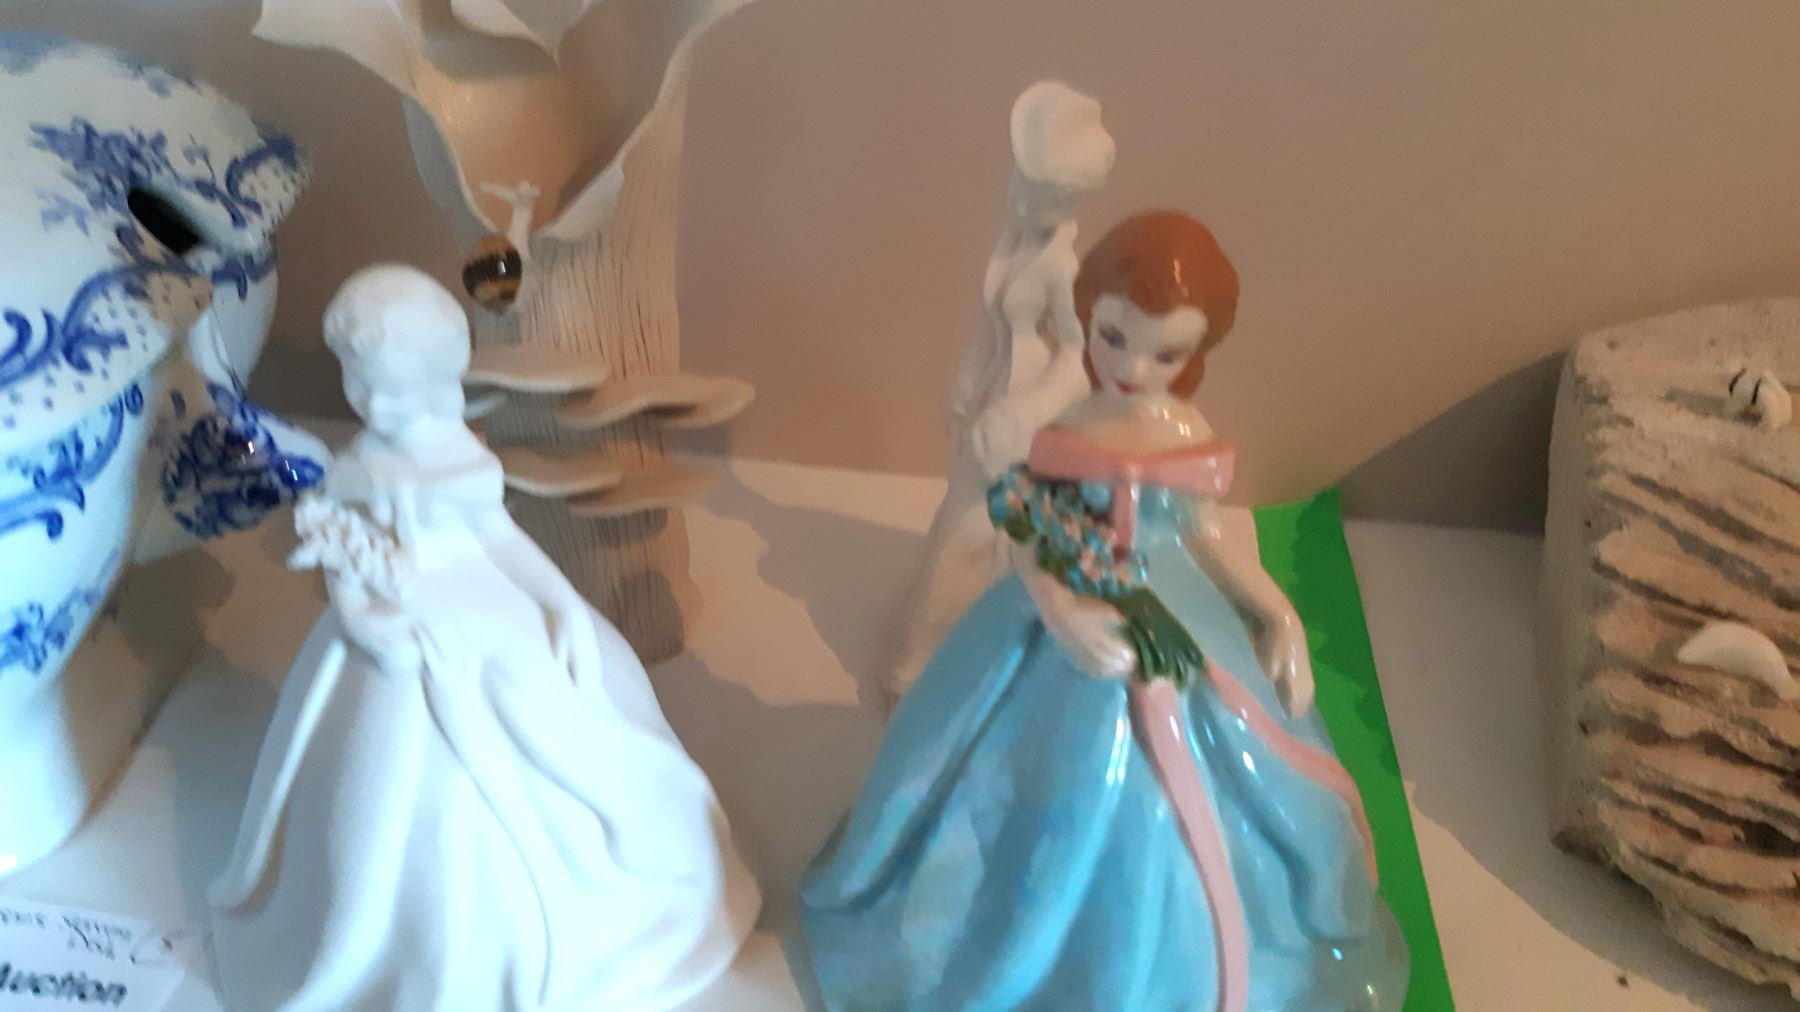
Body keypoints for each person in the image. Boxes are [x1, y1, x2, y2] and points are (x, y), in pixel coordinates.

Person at [803, 214, 1407, 1011]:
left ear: (1198, 355)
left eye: (1166, 354)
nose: (1130, 367)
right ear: (1087, 320)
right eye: (1113, 337)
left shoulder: (1184, 430)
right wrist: (1061, 612)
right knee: (1013, 761)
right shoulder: (1069, 425)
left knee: (1237, 773)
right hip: (1064, 609)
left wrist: (1275, 613)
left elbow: (1208, 537)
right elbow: (1028, 534)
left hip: (1174, 610)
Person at [209, 264, 759, 1012]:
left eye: (394, 388)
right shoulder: (359, 465)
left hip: (485, 603)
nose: (372, 404)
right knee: (389, 779)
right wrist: (369, 621)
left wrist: (561, 602)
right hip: (390, 625)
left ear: (440, 380)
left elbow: (501, 539)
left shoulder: (460, 456)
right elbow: (343, 560)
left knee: (562, 710)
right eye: (358, 384)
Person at [885, 81, 1116, 707]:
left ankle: (920, 672)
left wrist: (1025, 413)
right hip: (989, 393)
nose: (1018, 198)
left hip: (1021, 413)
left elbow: (1077, 356)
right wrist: (965, 391)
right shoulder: (1011, 241)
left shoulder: (1063, 267)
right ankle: (950, 650)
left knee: (970, 535)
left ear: (1067, 201)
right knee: (965, 532)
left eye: (1037, 193)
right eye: (1018, 182)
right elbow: (984, 324)